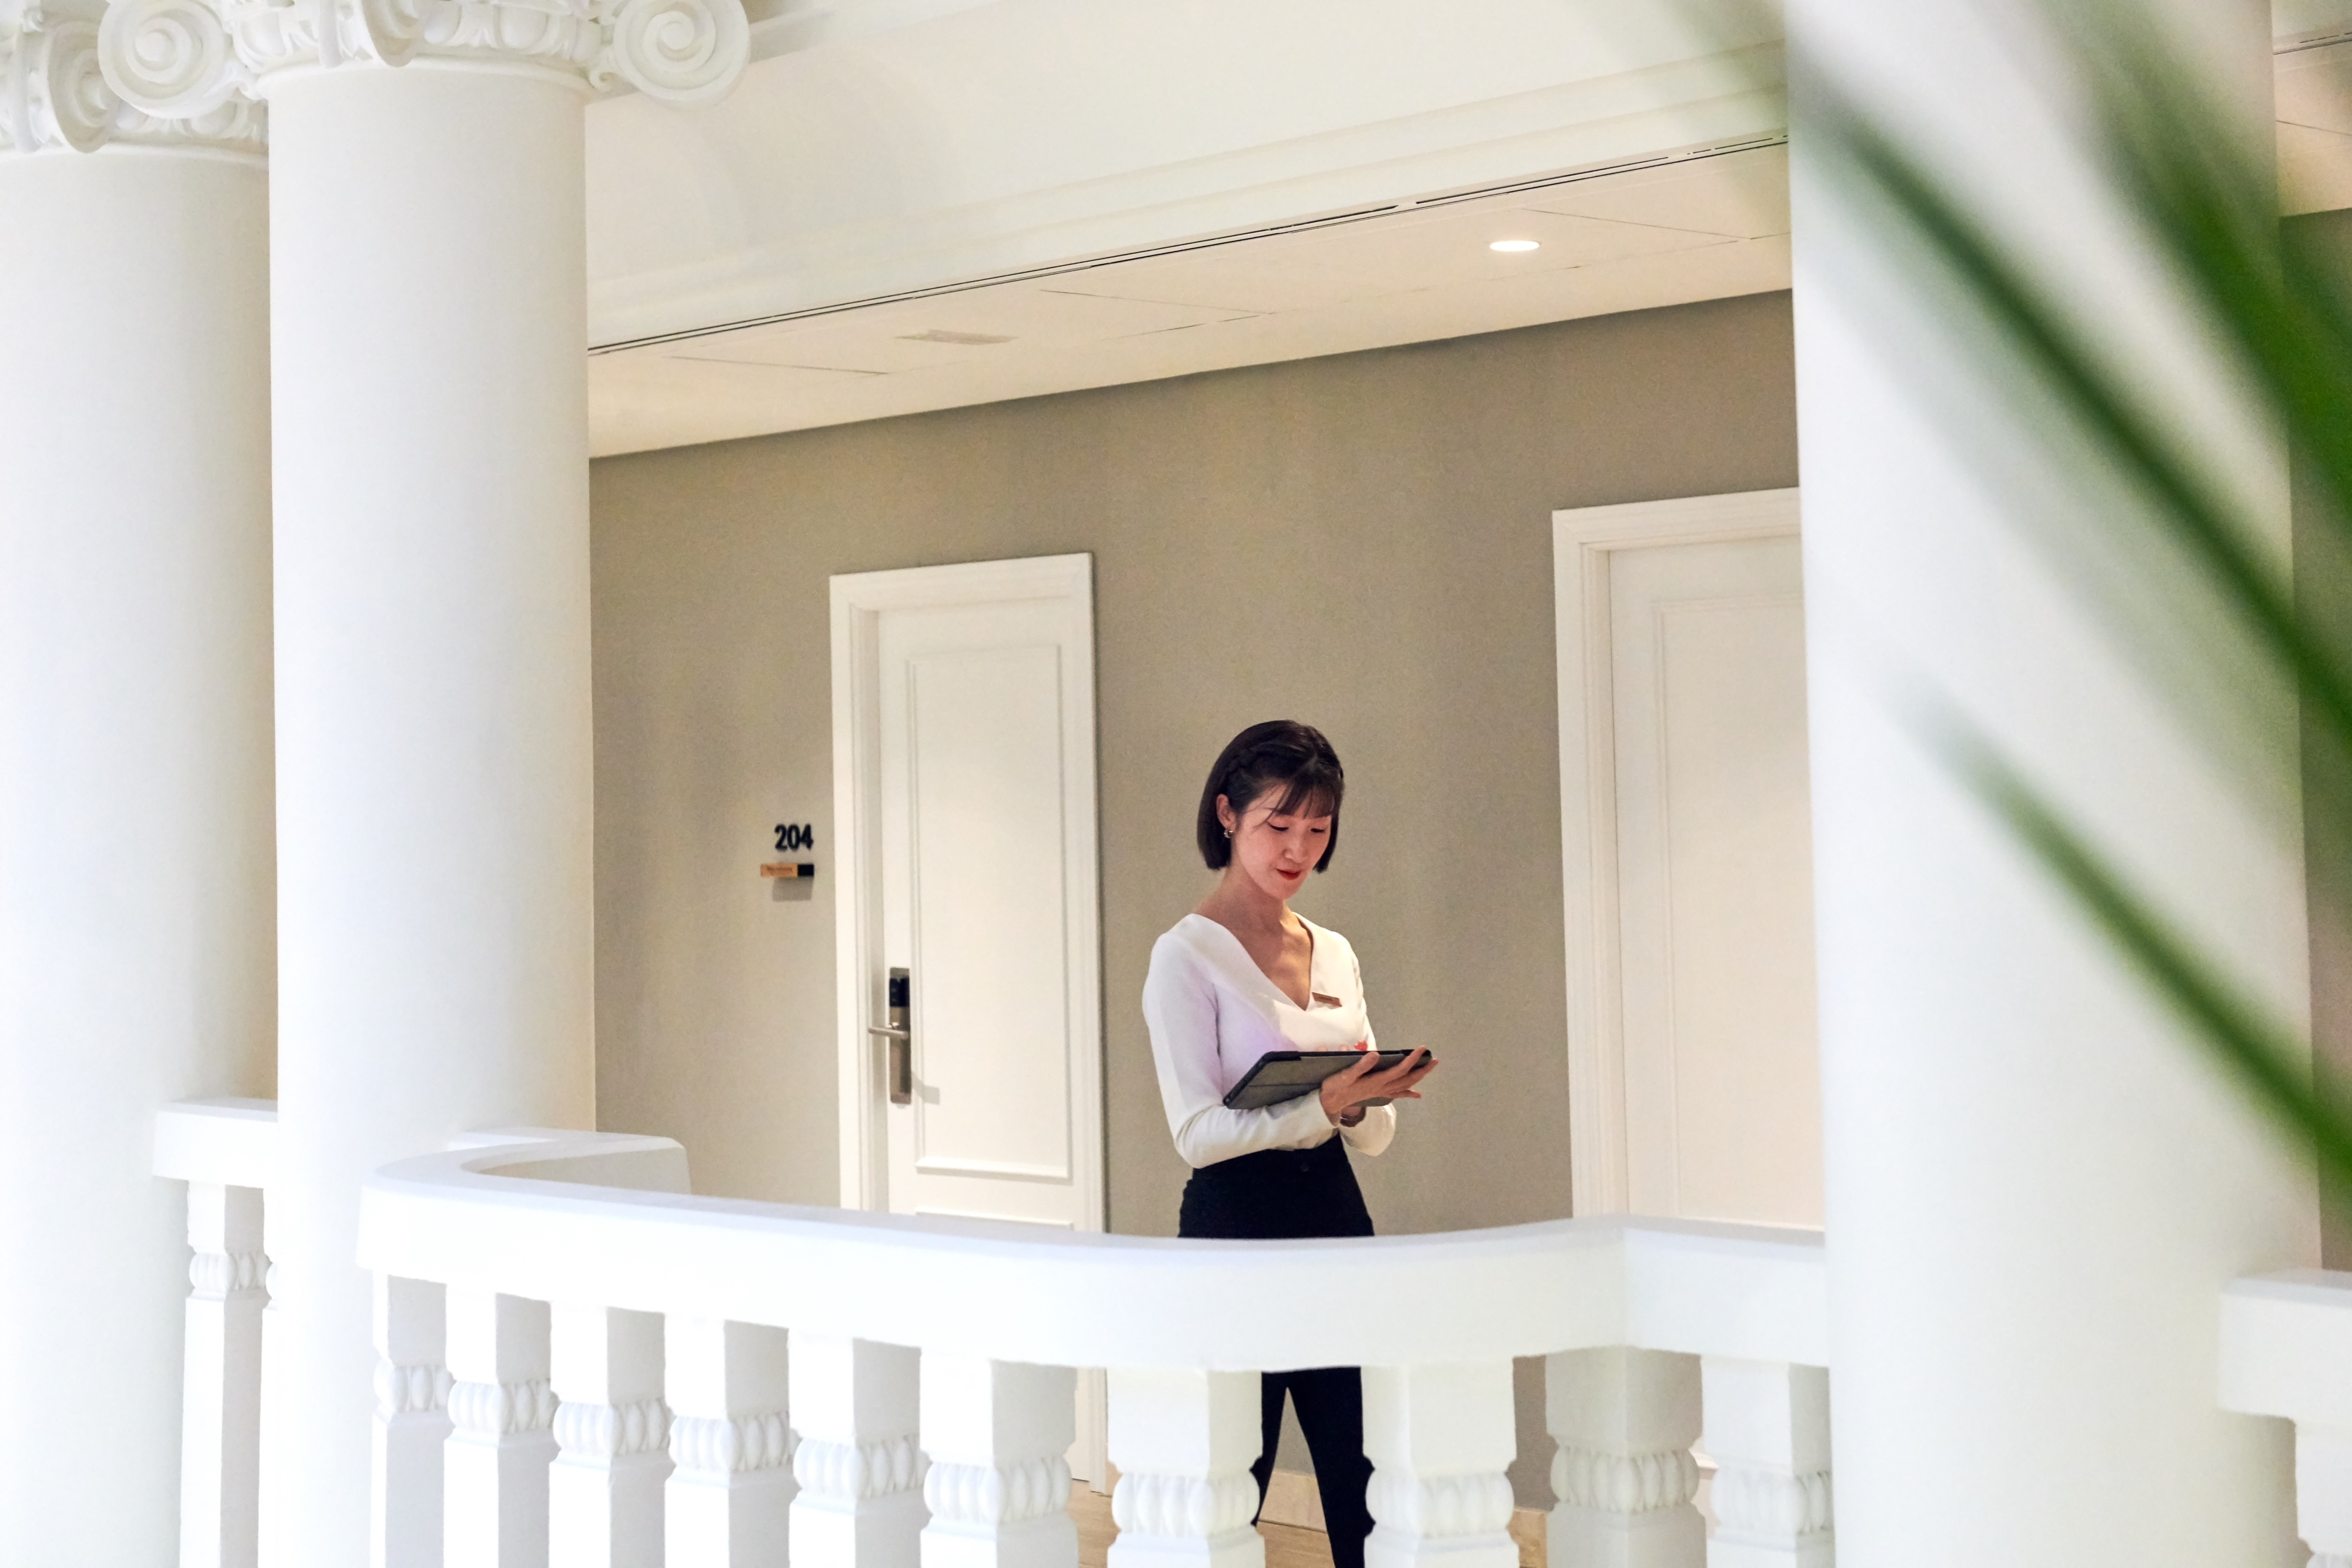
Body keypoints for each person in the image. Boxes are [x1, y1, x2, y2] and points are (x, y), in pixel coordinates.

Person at [1141, 720, 1436, 1568]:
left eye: (1318, 828)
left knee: (1365, 1466)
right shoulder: (1184, 956)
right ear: (1227, 814)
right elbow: (1197, 1135)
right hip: (1236, 1228)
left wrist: (1359, 1104)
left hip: (1335, 1215)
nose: (1298, 848)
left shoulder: (1334, 951)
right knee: (1232, 1474)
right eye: (1279, 824)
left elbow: (1375, 1136)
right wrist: (1324, 1106)